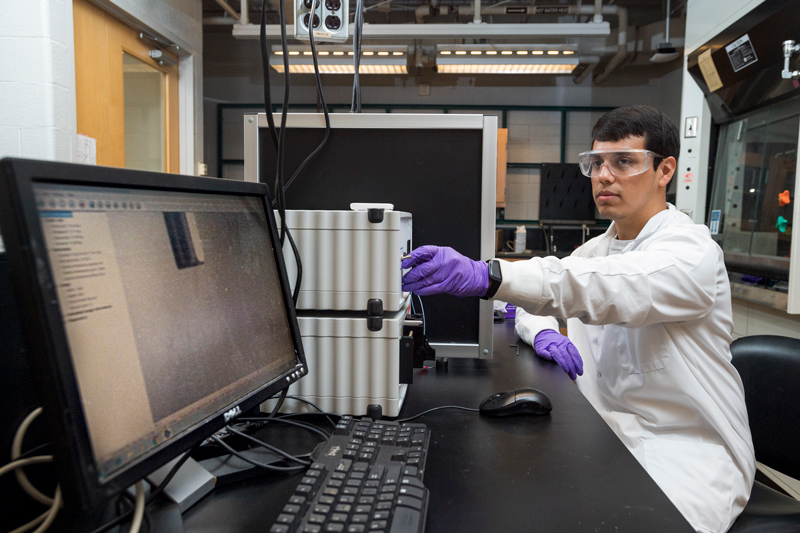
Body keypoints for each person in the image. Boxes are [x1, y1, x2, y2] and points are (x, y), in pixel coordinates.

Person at [401, 105, 755, 533]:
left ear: (665, 170)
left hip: (687, 452)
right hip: (605, 435)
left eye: (624, 162)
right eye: (597, 163)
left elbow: (605, 287)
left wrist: (489, 274)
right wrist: (545, 332)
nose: (604, 176)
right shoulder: (596, 252)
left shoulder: (691, 252)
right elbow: (535, 304)